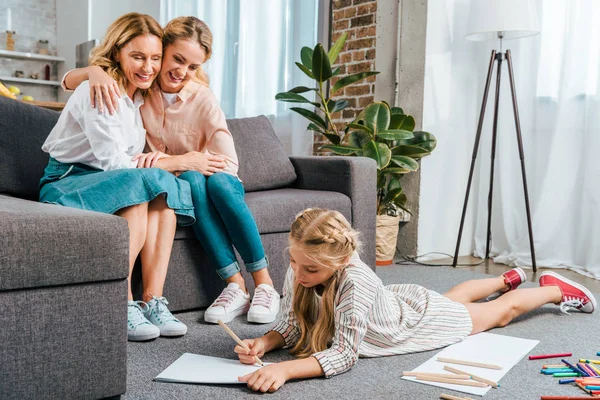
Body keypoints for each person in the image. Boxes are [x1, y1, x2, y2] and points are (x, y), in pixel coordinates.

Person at [61, 16, 281, 324]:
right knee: (188, 180)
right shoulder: (141, 89)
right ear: (162, 51)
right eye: (177, 59)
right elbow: (72, 81)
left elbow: (228, 163)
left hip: (216, 177)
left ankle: (265, 285)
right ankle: (235, 286)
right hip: (174, 177)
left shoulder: (201, 97)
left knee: (209, 183)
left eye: (192, 67)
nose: (182, 72)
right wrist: (92, 71)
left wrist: (191, 162)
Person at [233, 208, 596, 393]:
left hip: (412, 324)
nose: (297, 272)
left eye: (308, 268)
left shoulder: (353, 283)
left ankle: (554, 288)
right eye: (293, 261)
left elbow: (345, 354)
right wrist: (265, 342)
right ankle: (506, 278)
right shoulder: (302, 264)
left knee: (497, 315)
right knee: (452, 300)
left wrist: (284, 369)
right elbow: (292, 324)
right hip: (399, 305)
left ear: (341, 260)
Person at [40, 13, 192, 342]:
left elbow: (127, 159)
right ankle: (121, 305)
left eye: (154, 58)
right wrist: (176, 160)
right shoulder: (97, 91)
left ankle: (153, 301)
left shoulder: (137, 98)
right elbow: (114, 164)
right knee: (136, 189)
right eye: (138, 57)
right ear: (117, 53)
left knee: (164, 195)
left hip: (107, 179)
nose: (148, 67)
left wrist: (164, 163)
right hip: (66, 182)